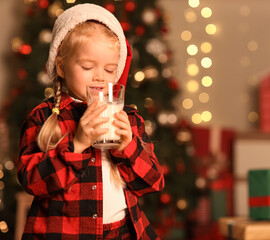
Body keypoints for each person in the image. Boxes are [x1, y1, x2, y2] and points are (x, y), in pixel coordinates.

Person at [17, 3, 164, 240]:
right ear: (62, 66)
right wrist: (77, 144)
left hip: (123, 232)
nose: (99, 76)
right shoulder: (43, 117)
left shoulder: (128, 118)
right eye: (87, 66)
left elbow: (153, 182)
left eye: (109, 69)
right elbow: (31, 182)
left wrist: (128, 147)